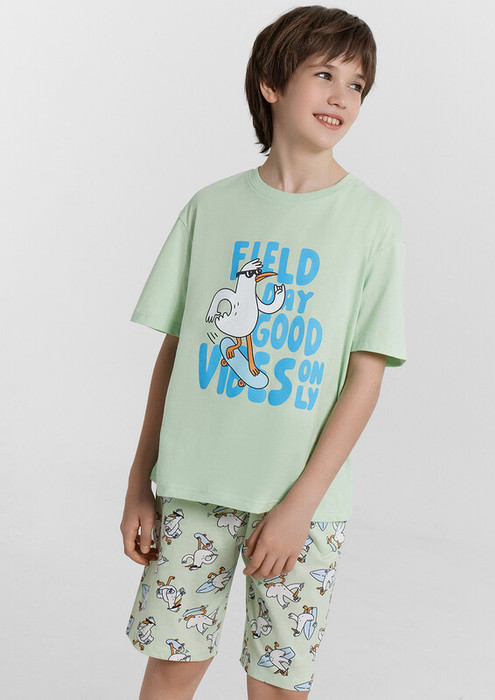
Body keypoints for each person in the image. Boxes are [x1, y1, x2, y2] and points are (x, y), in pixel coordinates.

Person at [121, 5, 407, 699]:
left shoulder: (372, 222)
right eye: (324, 74)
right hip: (193, 489)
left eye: (358, 84)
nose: (342, 96)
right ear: (271, 84)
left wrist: (299, 505)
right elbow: (176, 355)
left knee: (277, 684)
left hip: (302, 503)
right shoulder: (211, 208)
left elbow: (364, 377)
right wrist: (139, 483)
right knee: (171, 670)